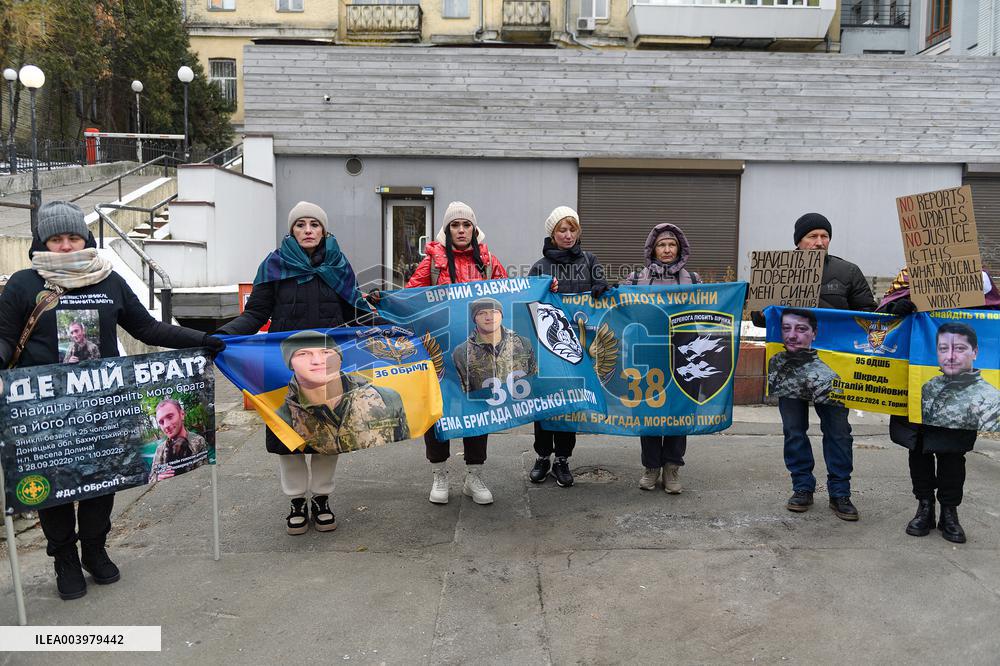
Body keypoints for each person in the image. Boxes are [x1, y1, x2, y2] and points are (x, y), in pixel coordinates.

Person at [0, 201, 225, 601]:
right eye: (56, 239)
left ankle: (94, 548)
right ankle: (64, 558)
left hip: (102, 407)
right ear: (42, 241)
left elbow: (148, 328)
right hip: (45, 413)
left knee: (102, 480)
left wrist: (202, 339)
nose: (66, 246)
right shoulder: (22, 284)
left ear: (86, 238)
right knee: (56, 484)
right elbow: (4, 339)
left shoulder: (109, 281)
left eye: (73, 237)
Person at [217, 201, 377, 535]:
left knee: (327, 434)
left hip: (329, 366)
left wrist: (389, 326)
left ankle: (321, 499)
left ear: (324, 230)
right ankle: (295, 502)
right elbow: (256, 315)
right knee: (287, 436)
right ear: (291, 230)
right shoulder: (274, 266)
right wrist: (220, 336)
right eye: (300, 225)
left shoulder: (339, 264)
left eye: (314, 225)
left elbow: (356, 314)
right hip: (283, 367)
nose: (307, 230)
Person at [878, 267, 1000, 543]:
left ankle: (950, 512)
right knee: (917, 447)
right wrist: (895, 309)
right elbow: (881, 314)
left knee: (953, 452)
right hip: (916, 376)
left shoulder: (977, 276)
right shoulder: (907, 274)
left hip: (962, 387)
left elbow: (994, 317)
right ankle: (924, 507)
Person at [768, 213, 876, 521]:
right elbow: (760, 317)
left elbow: (868, 315)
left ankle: (840, 493)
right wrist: (764, 311)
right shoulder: (778, 270)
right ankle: (802, 487)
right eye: (812, 236)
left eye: (824, 236)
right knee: (794, 431)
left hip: (834, 369)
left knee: (839, 431)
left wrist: (821, 309)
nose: (819, 242)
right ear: (798, 241)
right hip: (788, 369)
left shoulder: (847, 271)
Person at [404, 201, 507, 505]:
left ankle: (474, 476)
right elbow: (411, 297)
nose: (461, 230)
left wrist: (546, 286)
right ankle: (439, 474)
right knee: (438, 412)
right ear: (447, 230)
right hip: (439, 353)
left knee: (477, 412)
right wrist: (383, 300)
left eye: (466, 225)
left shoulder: (488, 263)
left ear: (475, 230)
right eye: (455, 225)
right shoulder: (432, 263)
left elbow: (511, 292)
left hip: (479, 352)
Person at [526, 206, 608, 487]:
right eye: (563, 229)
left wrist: (601, 286)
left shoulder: (590, 259)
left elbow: (602, 285)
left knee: (569, 402)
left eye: (573, 229)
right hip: (546, 347)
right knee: (546, 401)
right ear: (553, 233)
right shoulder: (540, 266)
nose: (568, 234)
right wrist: (546, 289)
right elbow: (529, 300)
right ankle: (542, 456)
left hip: (578, 346)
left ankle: (562, 459)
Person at [625, 223, 700, 495]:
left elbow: (710, 309)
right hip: (648, 357)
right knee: (648, 411)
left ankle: (672, 467)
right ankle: (651, 467)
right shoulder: (635, 280)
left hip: (685, 357)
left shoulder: (693, 280)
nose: (667, 249)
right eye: (662, 245)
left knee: (679, 411)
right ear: (652, 249)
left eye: (672, 245)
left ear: (679, 249)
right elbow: (617, 308)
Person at [277, 330, 410, 454]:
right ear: (290, 364)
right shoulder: (283, 415)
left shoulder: (386, 398)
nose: (317, 361)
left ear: (340, 358)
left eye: (326, 352)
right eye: (303, 354)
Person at [921, 323, 1000, 431]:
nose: (950, 357)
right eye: (943, 348)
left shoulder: (991, 398)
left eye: (959, 348)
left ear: (975, 352)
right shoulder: (929, 386)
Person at [452, 298, 537, 393]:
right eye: (481, 313)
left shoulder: (523, 343)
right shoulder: (461, 352)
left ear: (501, 316)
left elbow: (536, 382)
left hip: (523, 405)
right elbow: (463, 394)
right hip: (484, 406)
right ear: (474, 318)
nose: (489, 317)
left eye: (494, 312)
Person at [766, 309, 843, 405]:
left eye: (801, 329)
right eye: (786, 328)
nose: (791, 336)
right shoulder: (776, 359)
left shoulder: (827, 379)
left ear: (814, 333)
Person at [148, 398, 209, 484]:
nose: (166, 425)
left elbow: (204, 473)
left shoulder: (198, 441)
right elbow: (151, 478)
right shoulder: (160, 449)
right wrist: (158, 478)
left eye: (170, 417)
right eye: (161, 422)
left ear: (182, 414)